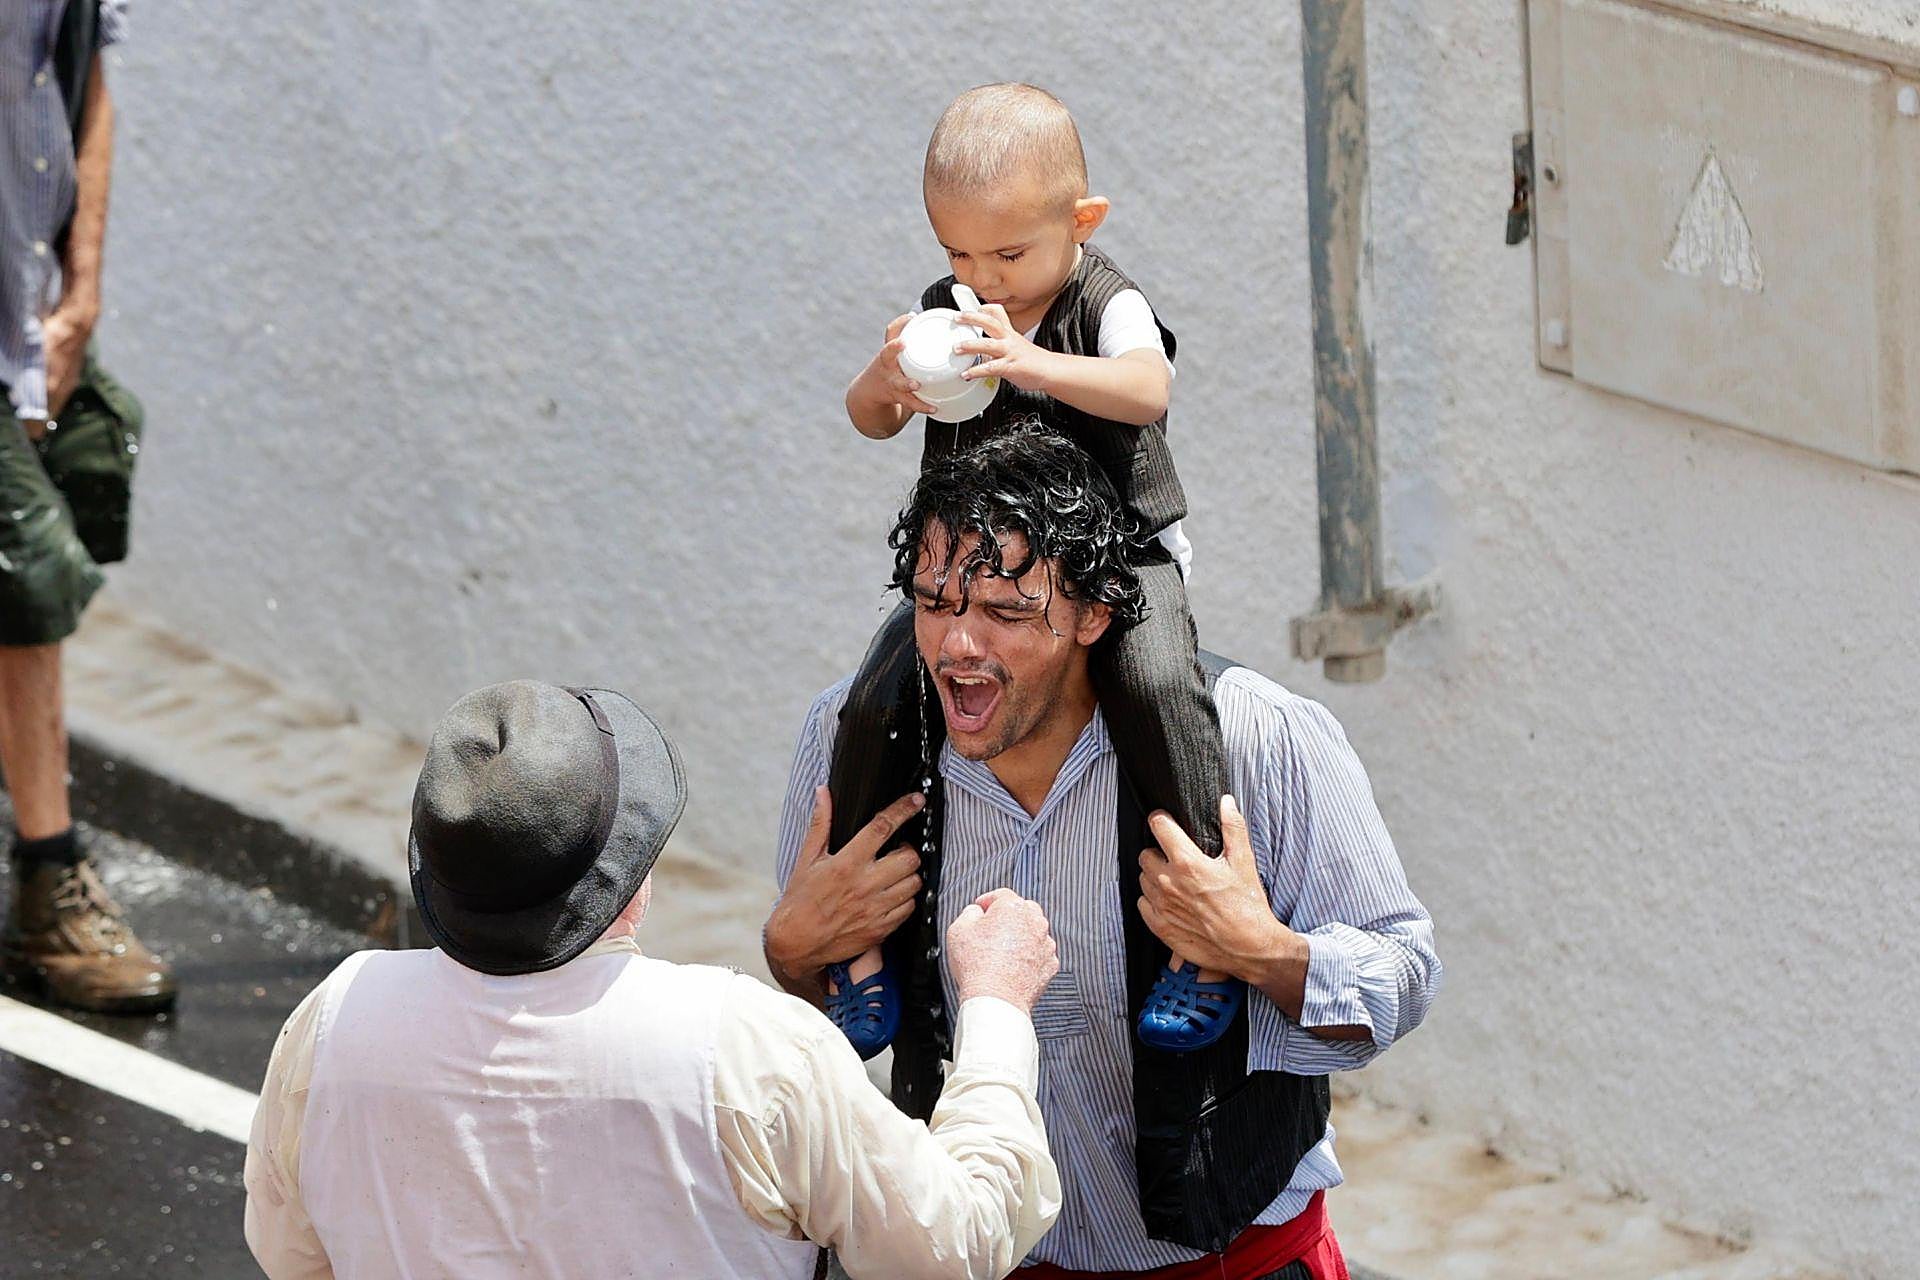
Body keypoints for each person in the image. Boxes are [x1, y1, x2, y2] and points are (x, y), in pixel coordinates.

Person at [766, 433, 1441, 1277]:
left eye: (1007, 613)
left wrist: (1262, 952)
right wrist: (790, 955)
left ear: (1093, 612)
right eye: (935, 604)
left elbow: (1404, 980)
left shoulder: (1258, 738)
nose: (956, 647)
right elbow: (816, 1040)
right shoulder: (855, 744)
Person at [244, 680, 1065, 1280]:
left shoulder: (334, 1020)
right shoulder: (742, 1046)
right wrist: (996, 1004)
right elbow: (957, 1243)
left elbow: (294, 1258)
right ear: (630, 877)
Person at [830, 81, 1235, 1059]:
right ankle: (859, 938)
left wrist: (1030, 361)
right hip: (976, 577)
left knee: (1156, 686)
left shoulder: (1106, 300)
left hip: (1118, 559)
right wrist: (890, 383)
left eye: (1009, 254)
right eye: (959, 255)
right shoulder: (955, 310)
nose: (986, 279)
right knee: (874, 704)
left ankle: (1205, 930)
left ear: (1080, 221)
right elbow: (869, 417)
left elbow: (1146, 388)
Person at [0, 0, 170, 1013]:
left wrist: (79, 295)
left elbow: (82, 85)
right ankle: (50, 884)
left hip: (25, 307)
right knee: (33, 576)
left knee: (61, 536)